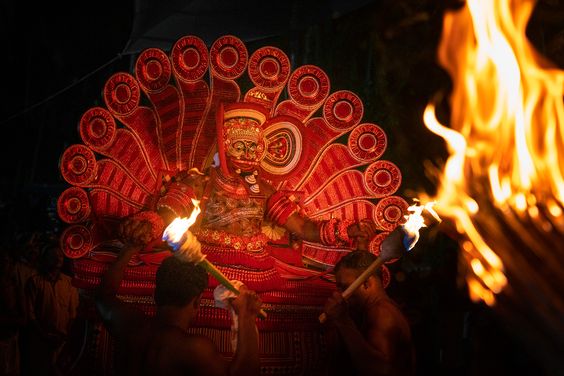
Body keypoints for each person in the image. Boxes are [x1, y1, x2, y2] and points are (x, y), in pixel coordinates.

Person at [95, 216, 263, 376]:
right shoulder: (194, 349)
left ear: (155, 294)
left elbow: (104, 296)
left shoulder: (128, 324)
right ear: (197, 302)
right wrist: (246, 315)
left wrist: (129, 250)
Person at [323, 250, 415, 376]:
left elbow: (380, 369)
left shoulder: (382, 314)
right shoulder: (370, 310)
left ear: (366, 283)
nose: (338, 294)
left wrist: (342, 321)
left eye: (344, 287)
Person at [23, 240, 79, 375]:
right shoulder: (35, 282)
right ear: (45, 259)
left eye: (60, 255)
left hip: (62, 341)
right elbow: (30, 314)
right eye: (53, 255)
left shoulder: (69, 283)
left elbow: (73, 313)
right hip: (40, 341)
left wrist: (65, 336)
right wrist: (44, 335)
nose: (58, 258)